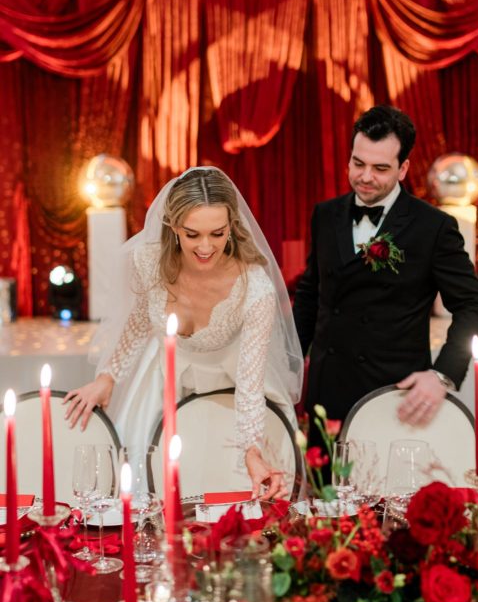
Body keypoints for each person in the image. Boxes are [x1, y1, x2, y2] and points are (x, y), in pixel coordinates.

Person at [63, 167, 303, 498]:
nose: (205, 247)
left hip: (233, 390)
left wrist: (251, 448)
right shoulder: (149, 262)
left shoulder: (255, 287)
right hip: (164, 379)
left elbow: (250, 382)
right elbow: (140, 319)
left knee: (225, 493)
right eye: (192, 234)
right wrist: (108, 377)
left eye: (217, 233)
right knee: (147, 488)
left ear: (231, 226)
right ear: (174, 226)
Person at [293, 105, 478, 443]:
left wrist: (442, 374)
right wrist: (289, 367)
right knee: (324, 480)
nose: (365, 176)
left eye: (380, 168)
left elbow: (472, 305)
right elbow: (310, 296)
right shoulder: (325, 215)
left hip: (394, 396)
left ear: (403, 169)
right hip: (327, 395)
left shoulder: (433, 227)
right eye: (358, 163)